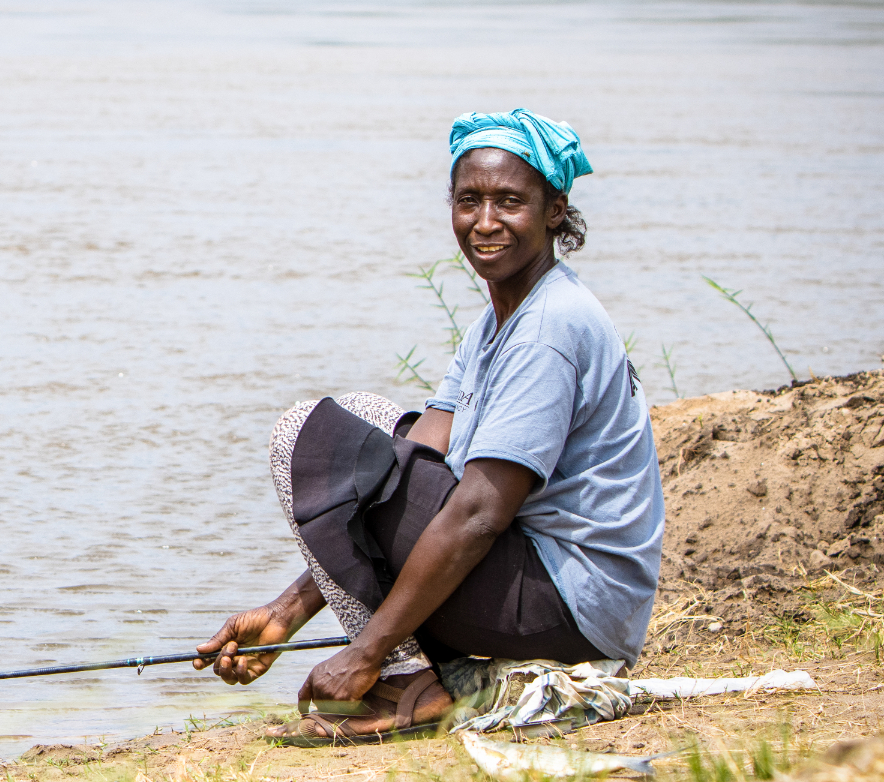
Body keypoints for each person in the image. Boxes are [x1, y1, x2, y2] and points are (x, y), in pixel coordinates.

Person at [195, 109, 664, 743]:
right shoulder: (500, 318)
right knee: (369, 425)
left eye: (509, 202)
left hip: (568, 609)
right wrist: (288, 612)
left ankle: (405, 677)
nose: (485, 222)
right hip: (553, 594)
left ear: (554, 211)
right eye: (469, 200)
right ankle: (411, 669)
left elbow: (478, 512)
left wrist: (362, 653)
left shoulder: (550, 328)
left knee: (303, 436)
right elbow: (411, 456)